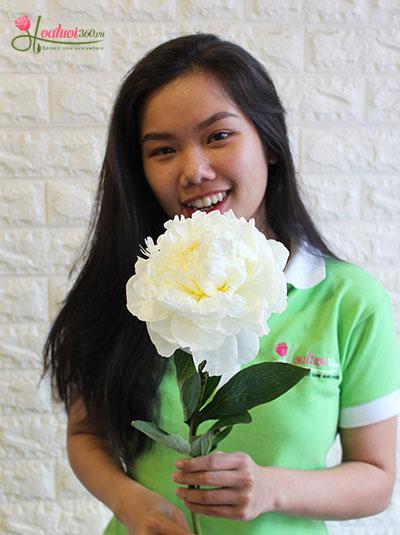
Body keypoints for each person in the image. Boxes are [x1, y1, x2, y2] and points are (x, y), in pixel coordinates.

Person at [43, 33, 400, 535]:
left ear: (269, 143)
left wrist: (272, 488)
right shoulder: (134, 286)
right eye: (163, 149)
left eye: (218, 136)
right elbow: (86, 434)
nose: (195, 171)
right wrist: (132, 504)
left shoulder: (348, 300)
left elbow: (377, 478)